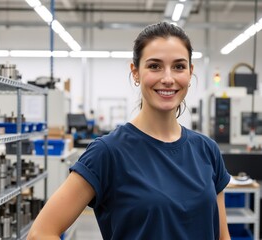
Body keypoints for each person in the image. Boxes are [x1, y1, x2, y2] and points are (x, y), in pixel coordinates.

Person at [27, 22, 231, 240]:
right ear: (135, 72)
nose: (168, 78)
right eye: (154, 66)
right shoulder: (108, 152)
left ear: (190, 73)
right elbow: (40, 233)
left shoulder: (207, 150)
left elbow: (222, 236)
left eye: (179, 67)